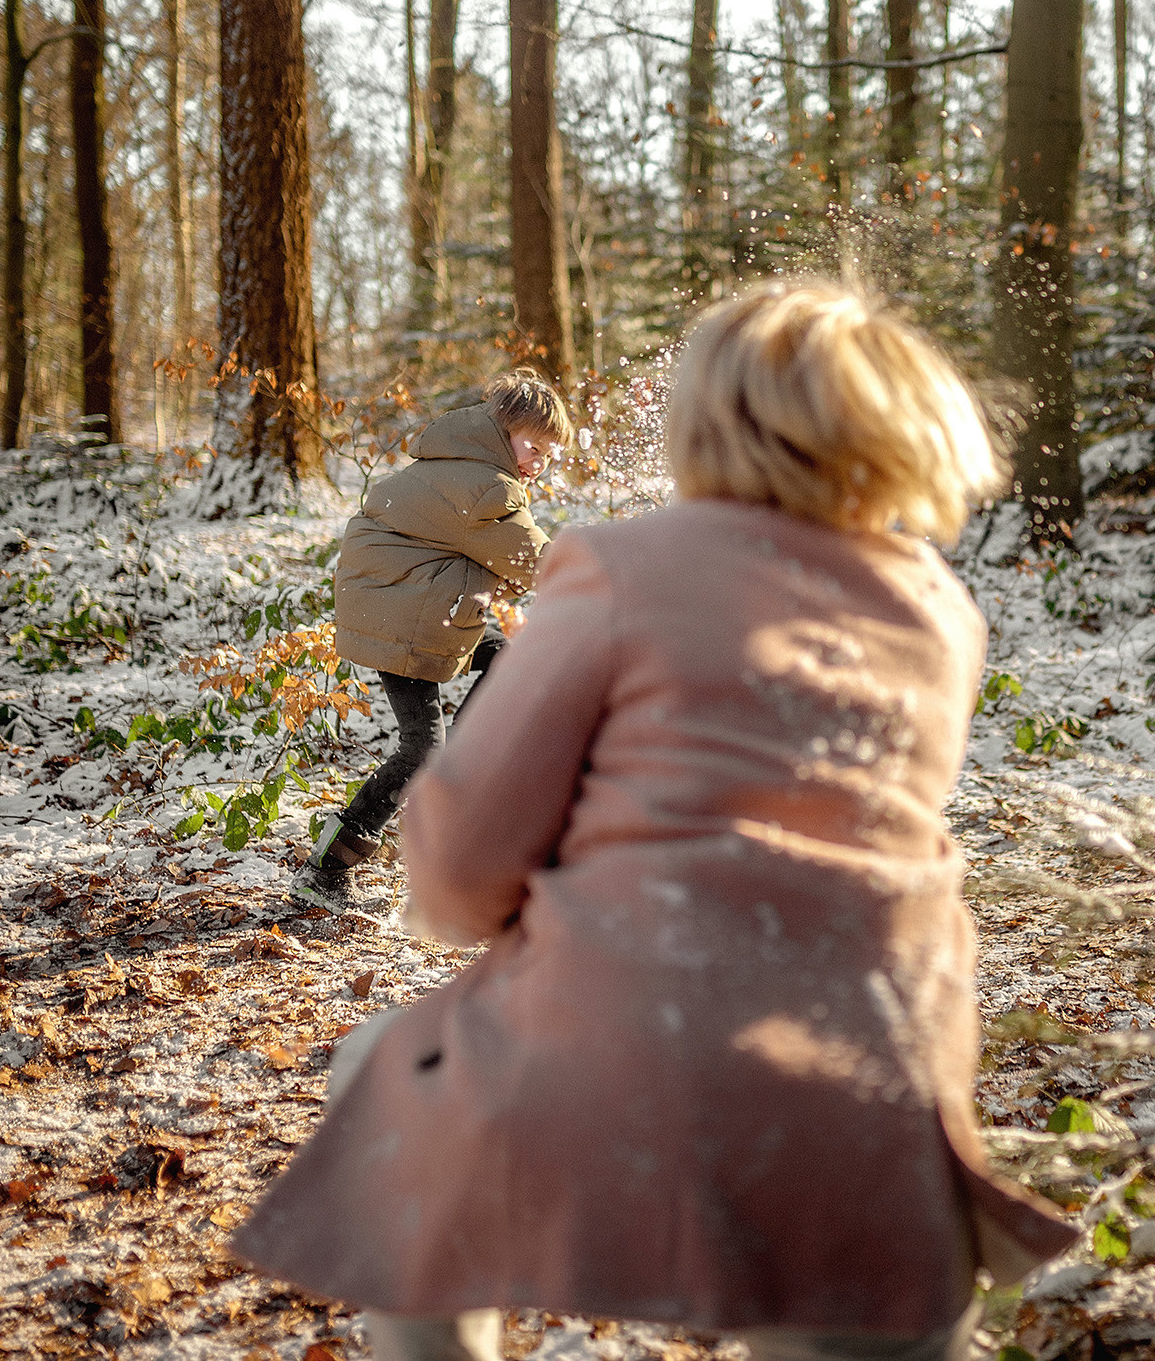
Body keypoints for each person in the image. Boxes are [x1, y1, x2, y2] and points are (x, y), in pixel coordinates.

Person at [235, 285, 1077, 1359]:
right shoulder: (941, 611)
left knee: (380, 1084)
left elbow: (456, 873)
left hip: (627, 1030)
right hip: (879, 1057)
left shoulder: (622, 565)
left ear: (702, 422)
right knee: (852, 1303)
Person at [294, 370, 571, 906]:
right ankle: (328, 865)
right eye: (533, 447)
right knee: (422, 746)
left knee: (504, 661)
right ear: (500, 431)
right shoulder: (485, 485)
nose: (539, 462)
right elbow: (536, 562)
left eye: (549, 454)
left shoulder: (456, 463)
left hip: (402, 601)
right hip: (406, 613)